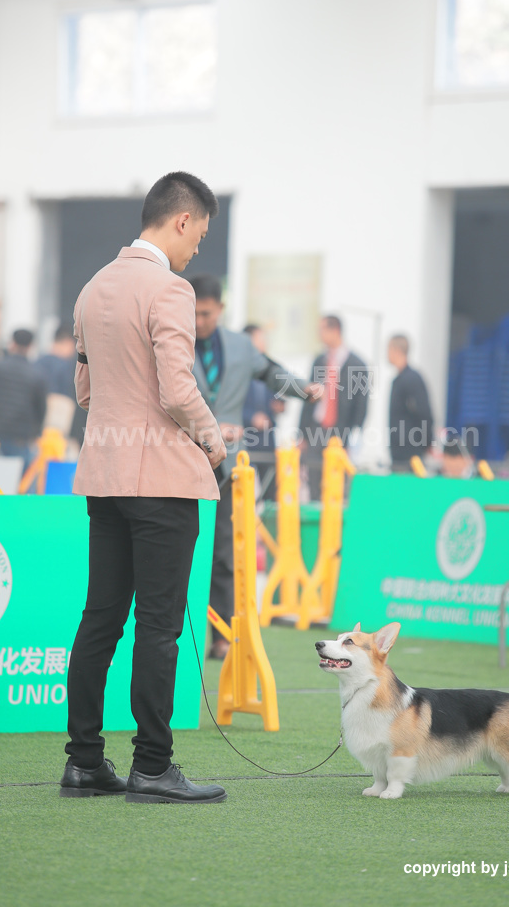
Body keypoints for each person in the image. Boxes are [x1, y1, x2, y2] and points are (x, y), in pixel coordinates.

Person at [61, 171, 228, 805]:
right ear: (182, 220)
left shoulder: (92, 288)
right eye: (199, 236)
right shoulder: (170, 289)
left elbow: (85, 392)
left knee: (100, 619)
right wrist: (212, 440)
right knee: (158, 627)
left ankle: (83, 763)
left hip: (104, 475)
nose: (195, 249)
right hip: (161, 479)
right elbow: (178, 390)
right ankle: (153, 767)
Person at [189, 275, 321, 660]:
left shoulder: (241, 346)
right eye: (193, 313)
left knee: (224, 552)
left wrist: (302, 389)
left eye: (206, 314)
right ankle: (181, 636)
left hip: (228, 464)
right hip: (182, 459)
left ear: (220, 309)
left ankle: (221, 636)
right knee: (181, 550)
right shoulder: (171, 340)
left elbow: (270, 372)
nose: (199, 321)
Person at [299, 315, 369, 500]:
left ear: (335, 330)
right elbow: (308, 398)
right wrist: (303, 434)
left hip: (341, 431)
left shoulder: (357, 365)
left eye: (322, 330)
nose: (319, 335)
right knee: (313, 478)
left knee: (337, 483)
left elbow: (361, 405)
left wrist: (353, 437)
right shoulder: (319, 361)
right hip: (317, 429)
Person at [0, 328, 47, 472]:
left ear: (12, 343)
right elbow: (41, 409)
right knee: (18, 482)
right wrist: (36, 433)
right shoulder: (37, 375)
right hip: (21, 439)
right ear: (30, 346)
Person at [242, 324, 284, 501]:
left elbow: (279, 396)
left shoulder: (271, 368)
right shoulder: (237, 370)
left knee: (270, 495)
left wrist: (280, 405)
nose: (264, 343)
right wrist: (251, 417)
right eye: (261, 339)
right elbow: (227, 406)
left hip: (267, 440)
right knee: (243, 494)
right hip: (245, 440)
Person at [387, 334, 434, 473]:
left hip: (410, 452)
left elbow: (424, 413)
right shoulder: (399, 380)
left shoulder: (412, 379)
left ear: (396, 350)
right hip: (398, 451)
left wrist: (427, 442)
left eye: (389, 349)